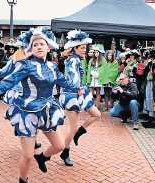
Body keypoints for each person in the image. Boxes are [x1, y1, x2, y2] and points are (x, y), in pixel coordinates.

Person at [0, 28, 81, 183]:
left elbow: (66, 83)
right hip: (27, 111)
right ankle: (23, 179)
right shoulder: (26, 66)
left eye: (41, 44)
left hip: (46, 111)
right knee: (28, 155)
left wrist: (79, 88)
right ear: (31, 48)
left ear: (48, 47)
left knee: (59, 146)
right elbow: (6, 82)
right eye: (35, 44)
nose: (38, 46)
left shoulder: (53, 66)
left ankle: (42, 158)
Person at [58, 30, 101, 166]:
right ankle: (65, 151)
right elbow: (73, 78)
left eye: (85, 48)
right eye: (82, 48)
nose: (85, 50)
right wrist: (79, 88)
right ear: (74, 48)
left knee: (96, 114)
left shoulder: (77, 60)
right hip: (72, 95)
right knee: (72, 127)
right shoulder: (72, 61)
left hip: (81, 92)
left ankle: (78, 133)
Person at [86, 45, 107, 110]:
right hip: (92, 78)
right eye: (95, 52)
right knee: (91, 93)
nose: (96, 54)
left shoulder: (103, 60)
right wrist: (90, 76)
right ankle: (90, 107)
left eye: (97, 52)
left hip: (99, 78)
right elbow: (89, 69)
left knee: (98, 92)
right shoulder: (91, 60)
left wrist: (98, 75)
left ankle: (97, 107)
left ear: (99, 53)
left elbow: (104, 70)